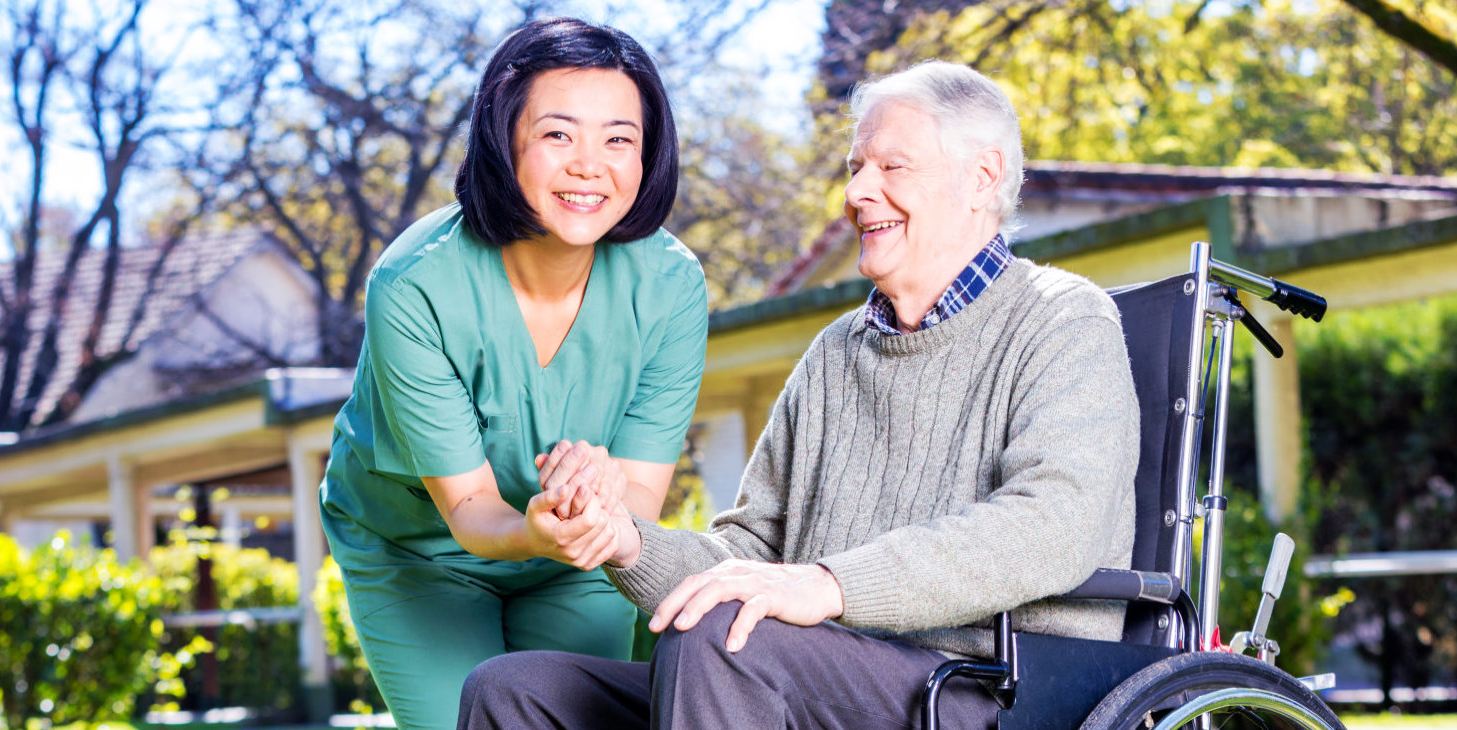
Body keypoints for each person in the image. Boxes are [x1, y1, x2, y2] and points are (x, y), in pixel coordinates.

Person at [458, 60, 1141, 730]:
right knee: (518, 690)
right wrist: (622, 539)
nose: (858, 193)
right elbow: (749, 557)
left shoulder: (1061, 318)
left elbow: (1056, 522)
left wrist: (826, 585)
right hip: (810, 671)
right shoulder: (835, 354)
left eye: (890, 167)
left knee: (730, 640)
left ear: (981, 176)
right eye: (854, 169)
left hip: (991, 689)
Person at [317, 16, 706, 730]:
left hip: (576, 560)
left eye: (619, 139)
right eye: (558, 134)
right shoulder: (414, 284)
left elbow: (641, 496)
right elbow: (470, 512)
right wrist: (542, 528)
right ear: (505, 139)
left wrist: (595, 506)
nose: (591, 165)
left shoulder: (672, 286)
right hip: (421, 551)